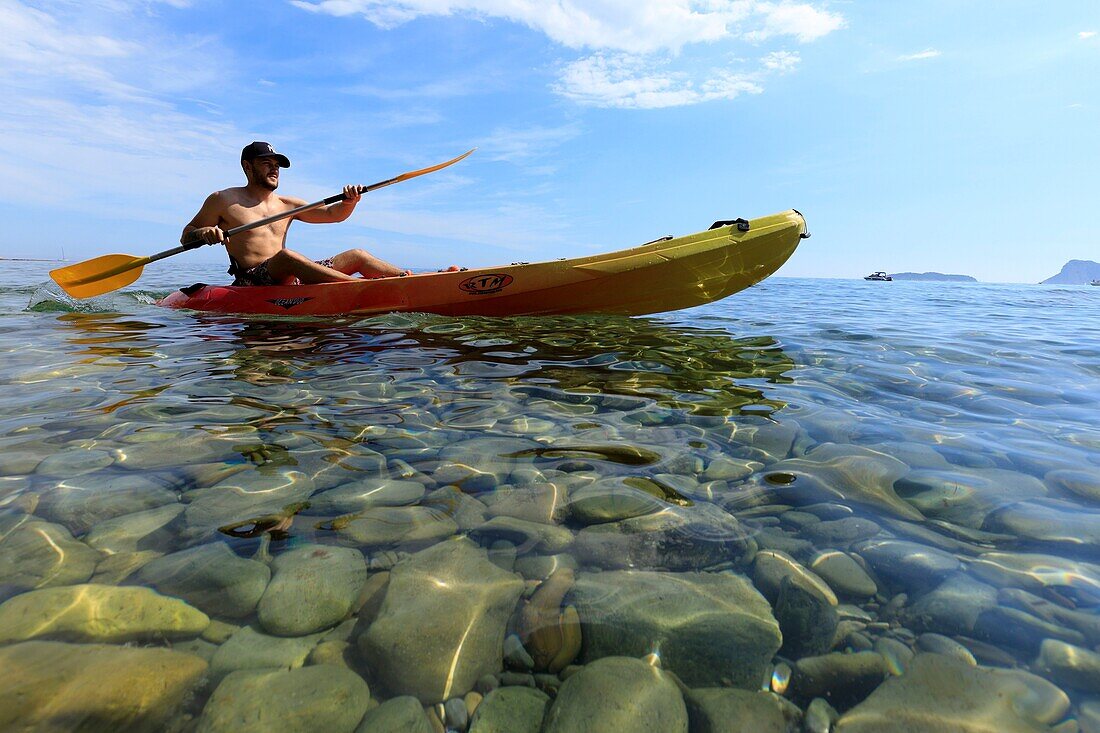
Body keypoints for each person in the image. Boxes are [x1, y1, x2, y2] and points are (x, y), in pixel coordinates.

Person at [181, 141, 413, 286]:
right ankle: (357, 287)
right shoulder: (223, 199)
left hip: (290, 275)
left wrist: (350, 201)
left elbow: (333, 214)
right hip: (252, 280)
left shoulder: (288, 204)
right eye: (266, 163)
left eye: (277, 165)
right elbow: (187, 235)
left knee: (357, 255)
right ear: (247, 166)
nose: (274, 168)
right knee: (286, 257)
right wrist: (204, 232)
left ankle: (409, 279)